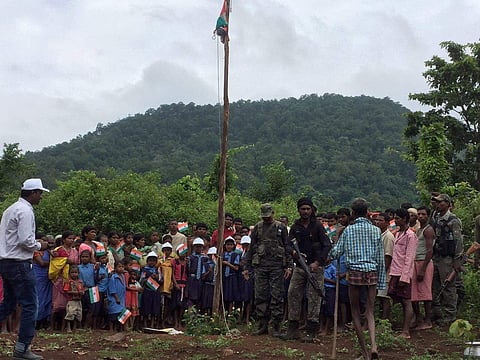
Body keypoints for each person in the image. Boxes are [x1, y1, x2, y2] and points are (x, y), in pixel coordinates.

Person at [330, 198, 385, 360]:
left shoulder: (348, 231)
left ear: (353, 213)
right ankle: (374, 346)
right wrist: (381, 280)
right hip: (372, 272)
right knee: (370, 311)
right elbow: (380, 258)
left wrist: (337, 238)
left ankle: (365, 353)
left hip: (354, 272)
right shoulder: (375, 230)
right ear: (367, 212)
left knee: (355, 311)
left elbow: (336, 253)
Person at [0, 178, 49, 360]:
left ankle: (22, 348)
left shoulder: (11, 209)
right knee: (30, 305)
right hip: (19, 263)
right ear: (33, 192)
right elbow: (25, 241)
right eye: (40, 193)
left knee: (9, 304)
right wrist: (39, 245)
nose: (41, 197)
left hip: (6, 262)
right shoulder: (25, 211)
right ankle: (22, 349)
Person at [282, 197, 331, 342]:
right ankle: (293, 328)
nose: (305, 211)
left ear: (312, 210)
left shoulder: (317, 226)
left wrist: (317, 262)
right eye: (303, 209)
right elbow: (287, 244)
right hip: (299, 267)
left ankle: (312, 330)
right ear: (298, 210)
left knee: (314, 297)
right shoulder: (296, 226)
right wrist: (293, 253)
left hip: (315, 268)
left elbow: (327, 245)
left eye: (308, 209)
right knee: (293, 294)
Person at [243, 203, 293, 337]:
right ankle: (262, 325)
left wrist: (289, 266)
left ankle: (276, 326)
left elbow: (287, 247)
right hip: (261, 266)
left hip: (277, 266)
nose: (266, 218)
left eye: (268, 216)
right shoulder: (257, 228)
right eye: (264, 216)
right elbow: (252, 248)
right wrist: (246, 267)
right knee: (260, 295)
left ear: (273, 213)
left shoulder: (281, 227)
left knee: (277, 296)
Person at [431, 194, 463, 326]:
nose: (437, 205)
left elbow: (458, 242)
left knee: (448, 286)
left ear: (447, 203)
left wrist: (457, 260)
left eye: (440, 202)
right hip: (437, 256)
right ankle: (438, 314)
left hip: (448, 258)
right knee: (436, 285)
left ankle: (450, 315)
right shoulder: (436, 217)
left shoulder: (453, 220)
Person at [387, 208, 418, 339]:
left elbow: (409, 258)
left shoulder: (411, 236)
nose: (396, 221)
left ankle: (406, 331)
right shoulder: (398, 234)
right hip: (395, 271)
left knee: (406, 301)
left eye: (398, 218)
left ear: (405, 219)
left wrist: (404, 277)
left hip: (403, 273)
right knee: (396, 298)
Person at [412, 206, 435, 330]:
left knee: (426, 293)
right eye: (419, 214)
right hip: (416, 262)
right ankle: (419, 319)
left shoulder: (428, 230)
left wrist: (423, 269)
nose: (420, 216)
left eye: (423, 214)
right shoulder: (418, 230)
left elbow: (430, 250)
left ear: (428, 216)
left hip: (424, 263)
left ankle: (428, 320)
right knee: (414, 293)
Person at [373, 213, 395, 320]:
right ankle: (380, 319)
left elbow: (388, 256)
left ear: (387, 223)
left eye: (380, 220)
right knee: (378, 297)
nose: (377, 222)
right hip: (378, 270)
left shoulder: (388, 236)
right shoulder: (378, 235)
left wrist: (382, 272)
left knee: (384, 297)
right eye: (377, 220)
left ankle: (385, 321)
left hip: (385, 272)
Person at [63, 265, 84, 333]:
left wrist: (82, 292)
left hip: (78, 301)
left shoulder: (80, 282)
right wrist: (75, 292)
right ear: (69, 273)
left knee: (78, 314)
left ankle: (75, 327)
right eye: (72, 272)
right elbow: (66, 290)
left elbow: (82, 290)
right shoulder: (68, 282)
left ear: (78, 273)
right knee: (70, 314)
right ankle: (68, 328)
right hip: (71, 301)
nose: (74, 274)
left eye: (75, 272)